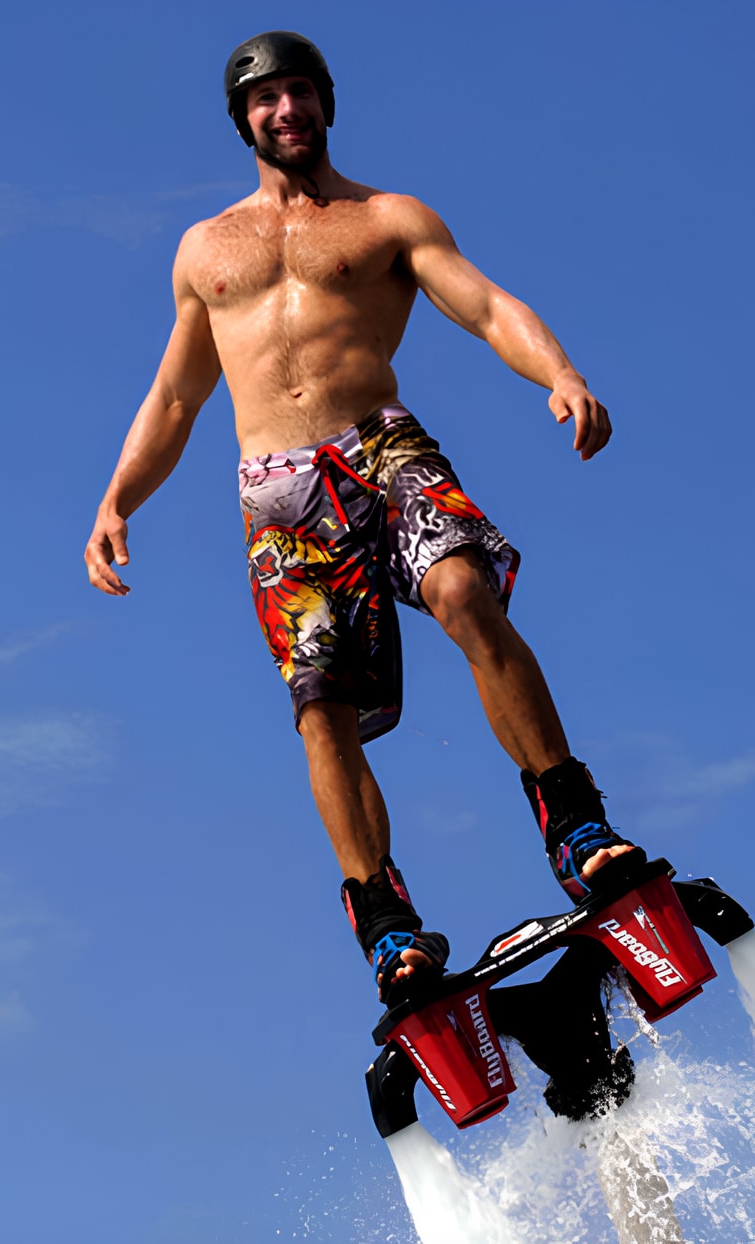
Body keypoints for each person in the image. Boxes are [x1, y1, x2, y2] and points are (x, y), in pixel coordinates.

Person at [82, 30, 641, 1007]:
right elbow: (175, 398)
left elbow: (483, 304)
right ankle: (386, 920)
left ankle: (574, 821)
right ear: (244, 120)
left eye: (300, 93)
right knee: (320, 701)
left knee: (465, 589)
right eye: (266, 100)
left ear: (324, 103)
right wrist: (118, 497)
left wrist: (559, 373)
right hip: (280, 493)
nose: (285, 111)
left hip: (382, 449)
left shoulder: (387, 217)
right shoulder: (204, 251)